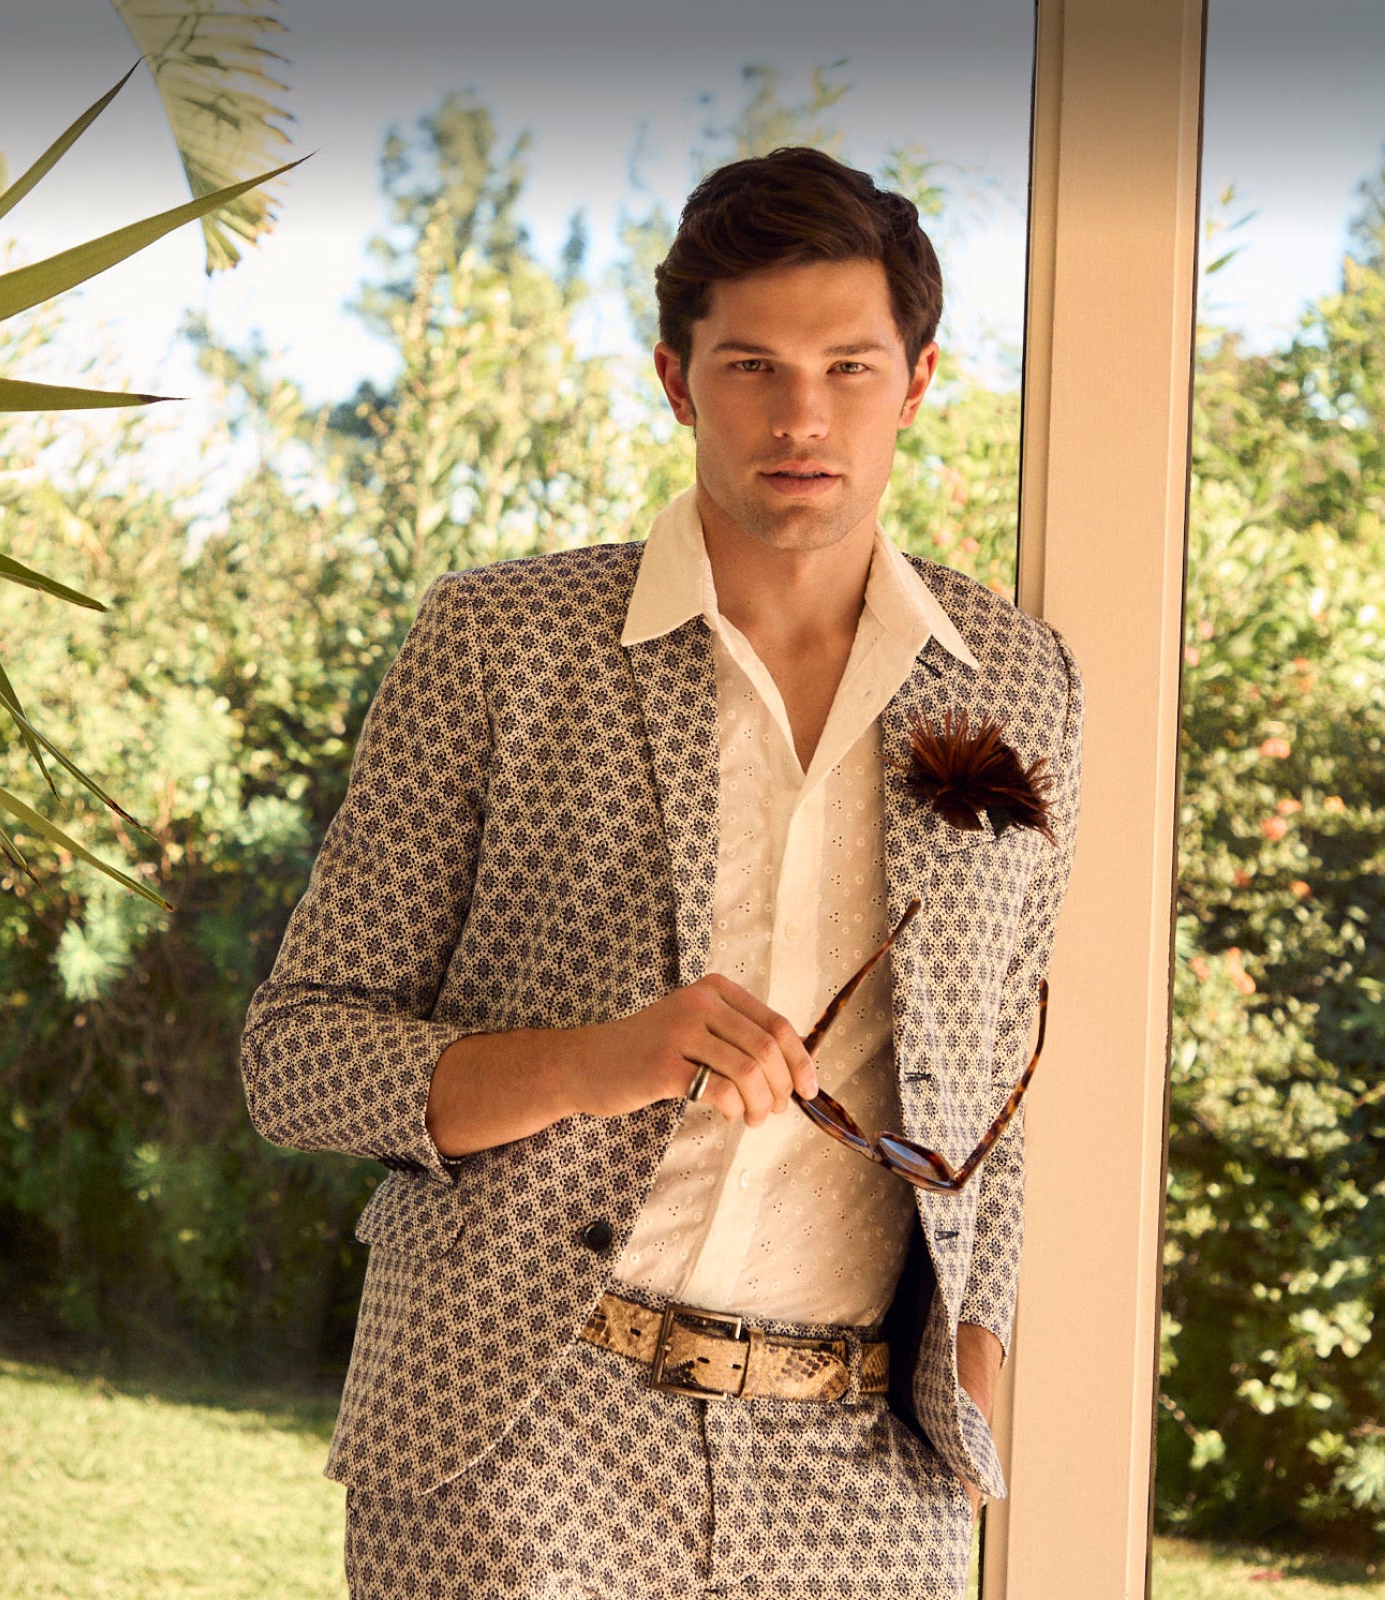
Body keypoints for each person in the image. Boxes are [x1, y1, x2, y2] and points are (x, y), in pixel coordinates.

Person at [240, 144, 1084, 1599]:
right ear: (678, 380)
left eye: (850, 368)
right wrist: (597, 1061)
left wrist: (982, 1361)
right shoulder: (500, 645)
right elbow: (296, 1058)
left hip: (868, 1473)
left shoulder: (1019, 681)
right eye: (751, 366)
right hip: (522, 1431)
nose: (801, 416)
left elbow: (1000, 1064)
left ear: (921, 380)